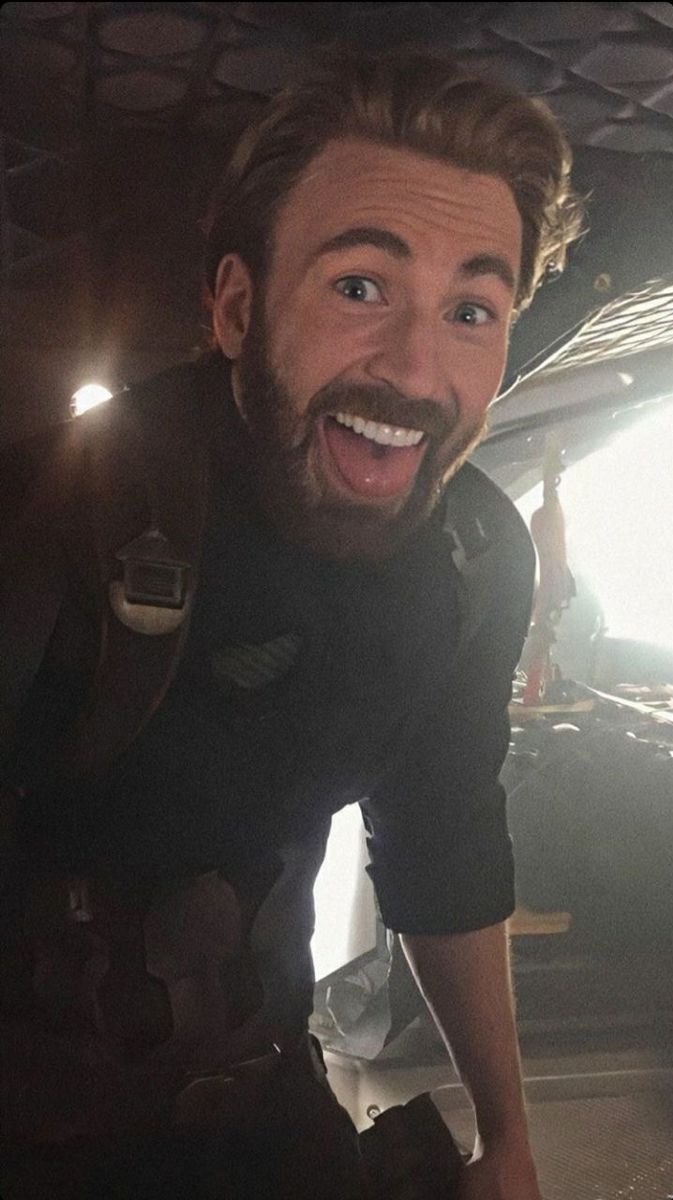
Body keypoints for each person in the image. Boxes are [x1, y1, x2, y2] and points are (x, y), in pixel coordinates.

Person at [0, 45, 582, 1200]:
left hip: (260, 1098)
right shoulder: (55, 514)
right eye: (360, 287)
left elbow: (443, 839)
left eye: (472, 308)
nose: (417, 369)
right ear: (235, 306)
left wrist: (504, 1134)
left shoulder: (472, 559)